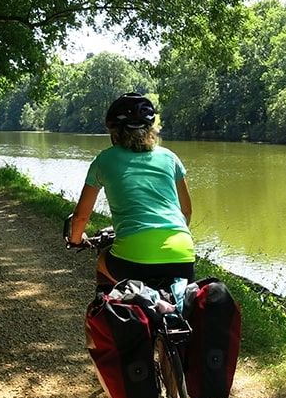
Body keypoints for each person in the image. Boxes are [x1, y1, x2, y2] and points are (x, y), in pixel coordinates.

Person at [68, 92, 195, 288]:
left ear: (114, 132)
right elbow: (186, 212)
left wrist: (76, 240)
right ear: (150, 129)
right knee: (180, 304)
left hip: (132, 256)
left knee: (103, 260)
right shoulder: (170, 158)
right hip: (183, 254)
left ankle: (106, 312)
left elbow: (81, 217)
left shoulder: (104, 160)